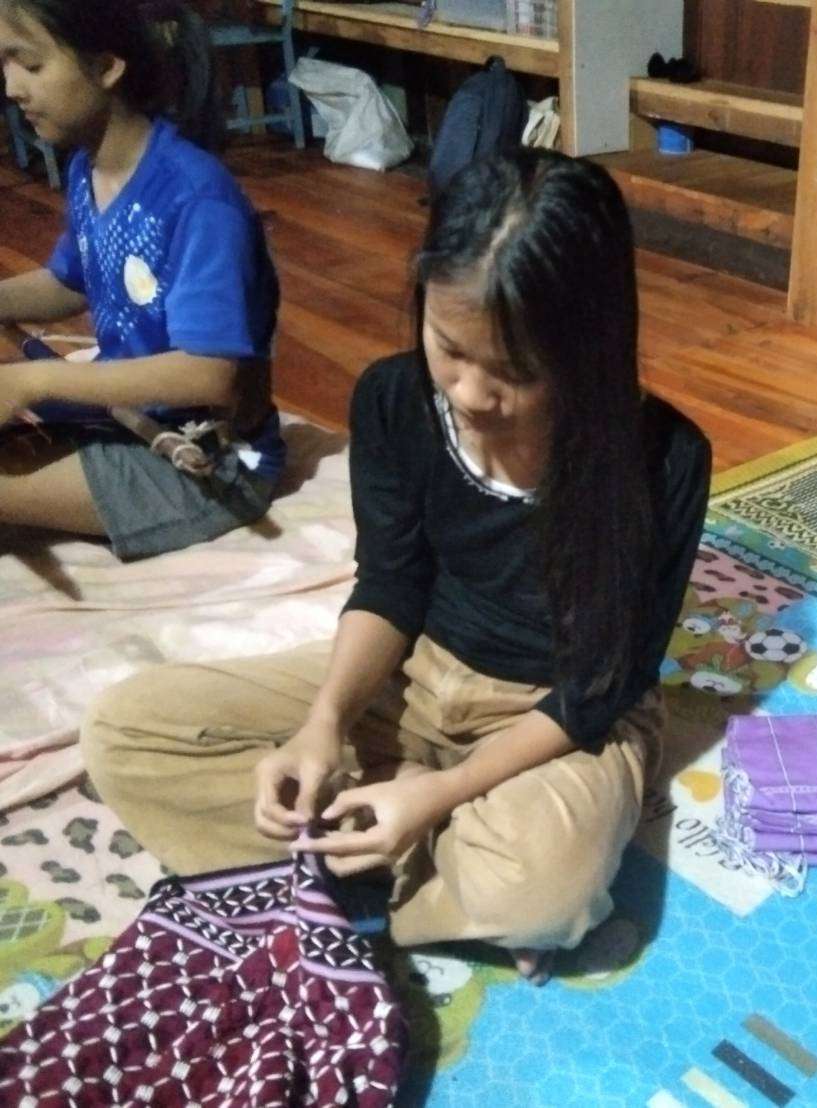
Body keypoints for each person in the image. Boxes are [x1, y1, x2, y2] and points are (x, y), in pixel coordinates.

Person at [81, 149, 713, 982]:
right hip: (417, 672)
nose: (470, 393)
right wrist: (325, 723)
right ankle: (406, 858)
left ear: (590, 347)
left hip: (557, 716)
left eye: (514, 373)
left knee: (541, 889)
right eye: (449, 347)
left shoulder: (660, 459)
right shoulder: (393, 398)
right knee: (128, 731)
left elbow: (603, 684)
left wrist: (433, 795)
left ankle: (365, 861)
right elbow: (391, 581)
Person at [0, 0, 283, 558]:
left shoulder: (196, 196)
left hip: (209, 468)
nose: (11, 87)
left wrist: (31, 383)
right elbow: (71, 281)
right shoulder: (90, 167)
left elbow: (209, 377)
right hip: (125, 422)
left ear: (107, 67)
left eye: (29, 65)